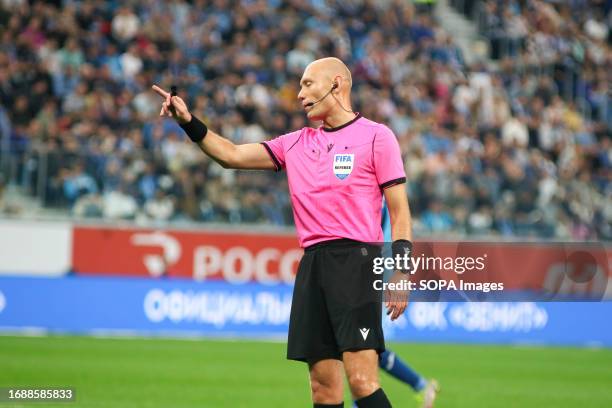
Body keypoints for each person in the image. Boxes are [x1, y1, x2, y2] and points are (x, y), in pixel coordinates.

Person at [153, 57, 413, 408]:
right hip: (312, 266)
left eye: (308, 84)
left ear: (337, 84)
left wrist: (401, 270)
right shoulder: (295, 143)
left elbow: (399, 211)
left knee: (363, 380)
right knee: (323, 388)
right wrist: (188, 123)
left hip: (356, 262)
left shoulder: (376, 137)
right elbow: (231, 155)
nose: (300, 94)